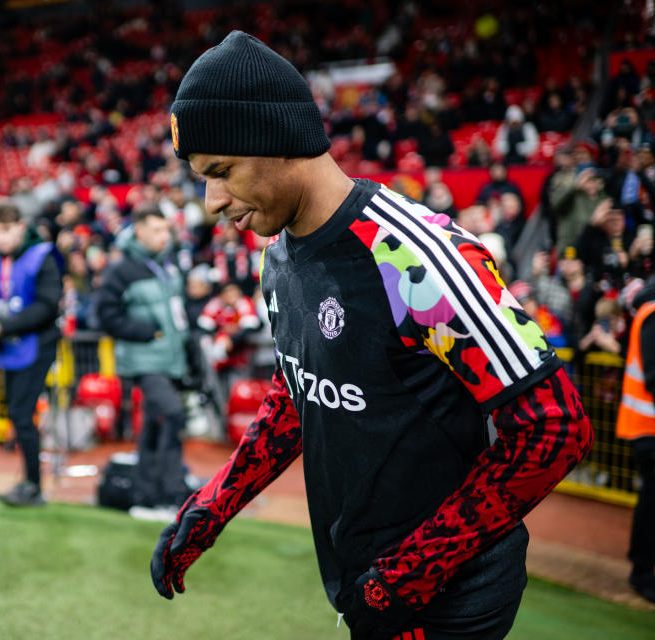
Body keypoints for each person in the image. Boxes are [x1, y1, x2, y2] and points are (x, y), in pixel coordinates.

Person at [151, 31, 593, 640]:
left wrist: (409, 575)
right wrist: (214, 503)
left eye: (220, 171)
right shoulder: (279, 254)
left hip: (451, 602)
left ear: (277, 140)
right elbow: (299, 391)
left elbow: (554, 425)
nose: (211, 201)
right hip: (369, 585)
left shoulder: (414, 257)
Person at [96, 207, 191, 517]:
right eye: (157, 230)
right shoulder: (122, 269)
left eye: (166, 230)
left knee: (154, 424)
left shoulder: (167, 264)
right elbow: (105, 315)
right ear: (139, 231)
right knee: (173, 415)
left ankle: (147, 496)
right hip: (145, 358)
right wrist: (147, 332)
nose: (165, 236)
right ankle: (169, 491)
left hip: (169, 358)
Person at [0, 203, 62, 507]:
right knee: (17, 414)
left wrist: (4, 326)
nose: (0, 237)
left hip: (36, 344)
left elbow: (47, 306)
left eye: (6, 230)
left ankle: (33, 486)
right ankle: (29, 483)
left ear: (19, 226)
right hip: (9, 346)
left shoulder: (41, 256)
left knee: (21, 414)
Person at [616, 285, 655, 604]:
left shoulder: (646, 311)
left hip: (644, 426)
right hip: (648, 428)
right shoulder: (652, 313)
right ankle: (641, 572)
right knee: (651, 504)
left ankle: (642, 570)